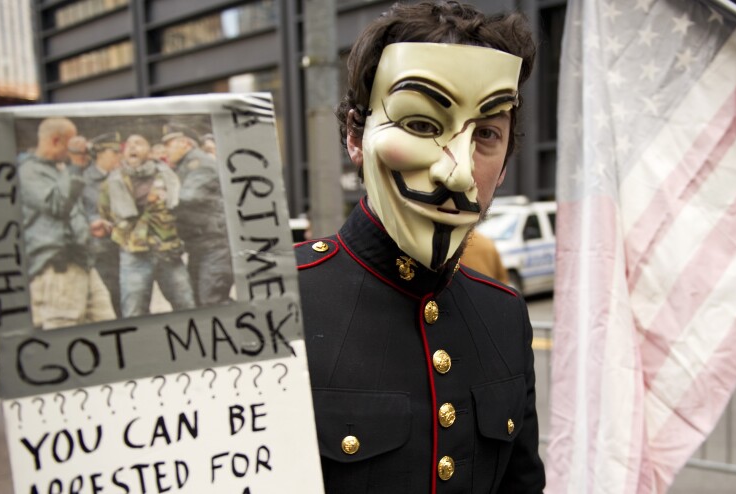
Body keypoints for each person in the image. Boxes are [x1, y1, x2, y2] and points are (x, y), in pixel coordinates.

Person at [294, 2, 544, 492]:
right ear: (355, 135)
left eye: (488, 134)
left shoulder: (504, 315)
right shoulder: (275, 304)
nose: (458, 171)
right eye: (423, 125)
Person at [20, 117, 115, 329]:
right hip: (58, 268)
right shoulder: (28, 172)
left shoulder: (59, 170)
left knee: (107, 324)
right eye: (70, 144)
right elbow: (57, 205)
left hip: (82, 261)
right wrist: (75, 166)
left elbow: (63, 216)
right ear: (55, 141)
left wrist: (86, 227)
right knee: (65, 331)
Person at [99, 134, 195, 317]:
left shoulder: (168, 176)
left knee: (186, 304)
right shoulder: (112, 182)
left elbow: (181, 210)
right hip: (134, 255)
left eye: (139, 143)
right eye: (129, 145)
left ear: (150, 153)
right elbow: (105, 212)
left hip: (168, 251)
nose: (133, 147)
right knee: (134, 311)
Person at [162, 124, 234, 306]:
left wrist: (159, 196)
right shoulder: (183, 166)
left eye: (169, 144)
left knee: (212, 299)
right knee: (197, 300)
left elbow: (187, 197)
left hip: (216, 246)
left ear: (185, 143)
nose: (166, 150)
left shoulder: (200, 163)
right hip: (199, 245)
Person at [82, 132, 124, 316]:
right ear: (100, 154)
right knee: (114, 291)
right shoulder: (84, 181)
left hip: (125, 243)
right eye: (113, 152)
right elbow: (79, 213)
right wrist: (94, 222)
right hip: (102, 246)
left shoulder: (120, 177)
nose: (118, 157)